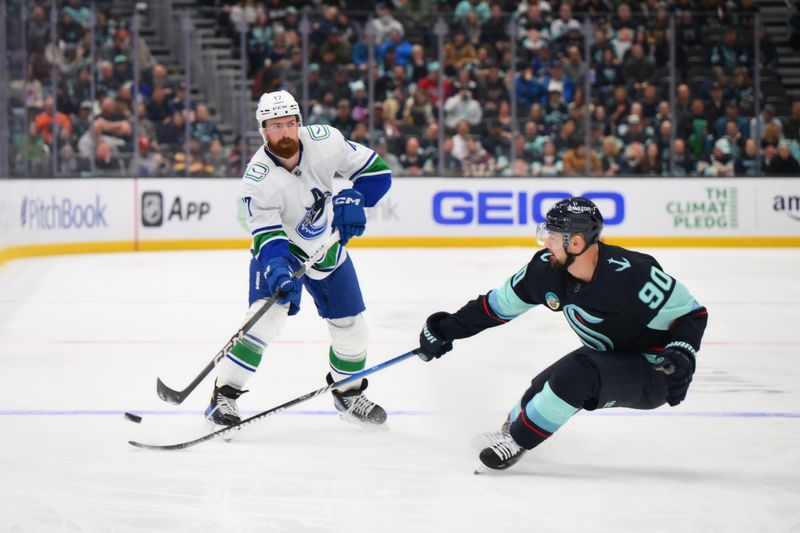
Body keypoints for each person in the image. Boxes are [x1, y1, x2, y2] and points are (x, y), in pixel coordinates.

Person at [416, 197, 708, 470]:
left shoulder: (632, 273)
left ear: (577, 242)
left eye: (553, 237)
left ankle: (517, 440)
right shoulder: (545, 271)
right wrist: (444, 330)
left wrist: (682, 354)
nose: (546, 243)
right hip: (610, 356)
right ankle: (511, 430)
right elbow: (496, 306)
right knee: (543, 385)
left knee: (576, 373)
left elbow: (691, 314)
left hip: (654, 370)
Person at [205, 90, 393, 428]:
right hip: (284, 253)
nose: (284, 132)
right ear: (263, 131)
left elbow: (377, 172)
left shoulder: (326, 141)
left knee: (352, 326)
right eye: (275, 126)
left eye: (290, 123)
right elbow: (267, 236)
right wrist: (277, 269)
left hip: (328, 248)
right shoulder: (257, 180)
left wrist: (356, 199)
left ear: (299, 123)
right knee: (264, 320)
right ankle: (224, 395)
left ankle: (347, 393)